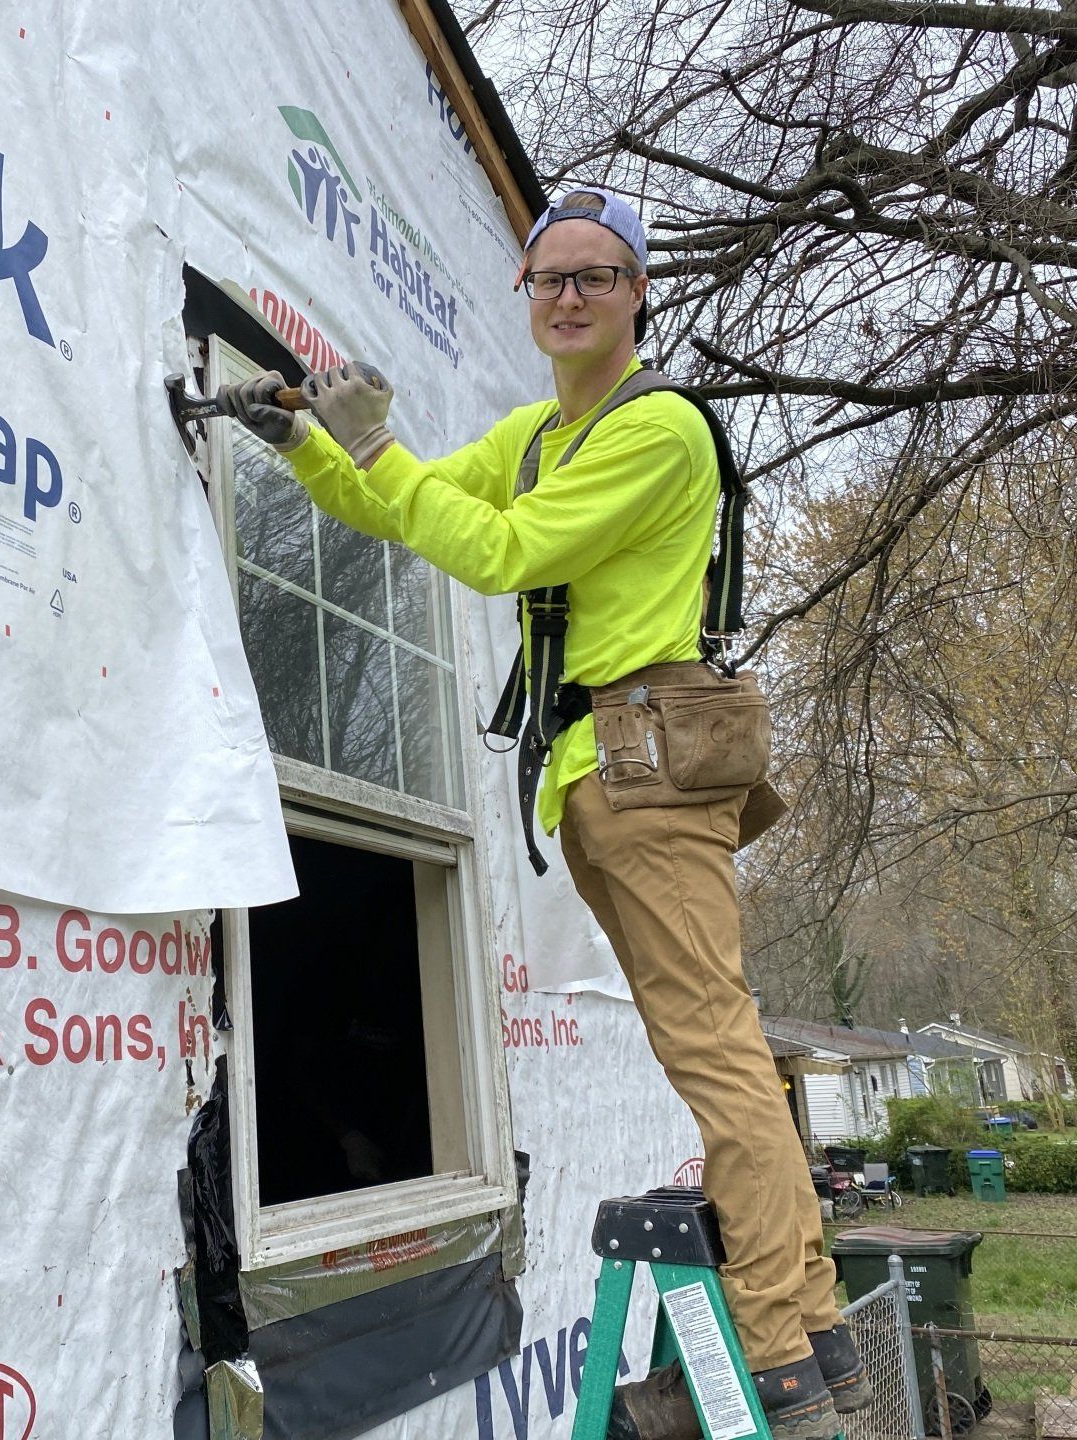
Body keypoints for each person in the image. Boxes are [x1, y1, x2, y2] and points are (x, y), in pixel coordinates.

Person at [214, 189, 865, 1440]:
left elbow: (507, 554)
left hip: (654, 764)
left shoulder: (657, 430)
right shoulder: (528, 436)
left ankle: (785, 1344)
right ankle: (816, 1331)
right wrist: (310, 443)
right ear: (530, 300)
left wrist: (379, 446)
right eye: (548, 279)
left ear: (638, 296)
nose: (568, 296)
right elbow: (403, 512)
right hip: (599, 777)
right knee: (711, 1054)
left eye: (596, 277)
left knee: (720, 1058)